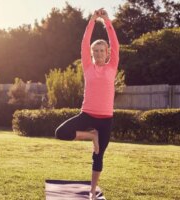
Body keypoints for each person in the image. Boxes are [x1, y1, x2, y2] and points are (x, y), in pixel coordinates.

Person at [54, 8, 119, 200]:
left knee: (98, 156)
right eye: (95, 51)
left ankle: (92, 191)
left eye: (102, 50)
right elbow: (84, 42)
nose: (98, 53)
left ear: (107, 53)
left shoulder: (112, 67)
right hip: (87, 114)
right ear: (91, 54)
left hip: (106, 119)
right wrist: (92, 20)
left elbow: (115, 43)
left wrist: (106, 21)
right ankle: (91, 135)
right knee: (61, 133)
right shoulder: (88, 67)